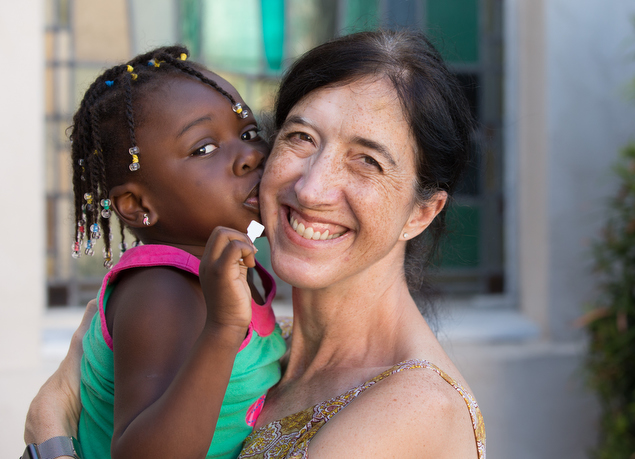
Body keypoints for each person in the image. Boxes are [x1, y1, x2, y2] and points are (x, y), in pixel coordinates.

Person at [25, 30, 486, 458]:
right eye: (302, 138)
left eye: (367, 161)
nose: (311, 189)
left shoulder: (413, 408)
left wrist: (49, 435)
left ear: (422, 212)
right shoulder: (257, 340)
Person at [50, 45, 287, 459]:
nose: (250, 155)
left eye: (248, 133)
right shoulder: (162, 288)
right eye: (204, 149)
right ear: (139, 207)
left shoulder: (226, 269)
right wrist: (223, 329)